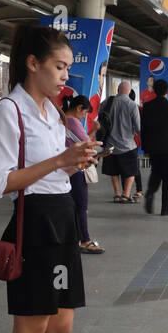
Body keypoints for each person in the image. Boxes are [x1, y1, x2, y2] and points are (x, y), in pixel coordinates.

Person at [0, 23, 108, 333]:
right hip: (33, 225)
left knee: (62, 330)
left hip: (61, 223)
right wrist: (60, 158)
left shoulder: (53, 113)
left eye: (68, 68)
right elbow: (1, 182)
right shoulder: (9, 111)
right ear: (32, 63)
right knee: (30, 331)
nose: (65, 77)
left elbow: (54, 173)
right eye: (59, 66)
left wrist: (76, 163)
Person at [62, 93, 104, 255]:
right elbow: (87, 143)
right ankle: (85, 240)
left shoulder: (62, 119)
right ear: (79, 108)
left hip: (65, 167)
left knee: (72, 205)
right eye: (85, 112)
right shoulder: (72, 121)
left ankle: (74, 238)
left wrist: (92, 131)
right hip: (76, 167)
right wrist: (94, 131)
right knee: (81, 205)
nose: (84, 116)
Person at [140, 78, 168, 216]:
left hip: (154, 149)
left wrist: (145, 149)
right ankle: (166, 209)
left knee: (156, 173)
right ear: (167, 91)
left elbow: (144, 130)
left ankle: (150, 192)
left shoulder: (147, 107)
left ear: (154, 90)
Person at [101, 80, 140, 201]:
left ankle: (117, 194)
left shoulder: (106, 102)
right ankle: (125, 195)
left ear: (118, 90)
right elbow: (138, 128)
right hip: (128, 145)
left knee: (113, 171)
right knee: (131, 171)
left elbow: (100, 120)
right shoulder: (132, 105)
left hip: (109, 145)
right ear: (129, 92)